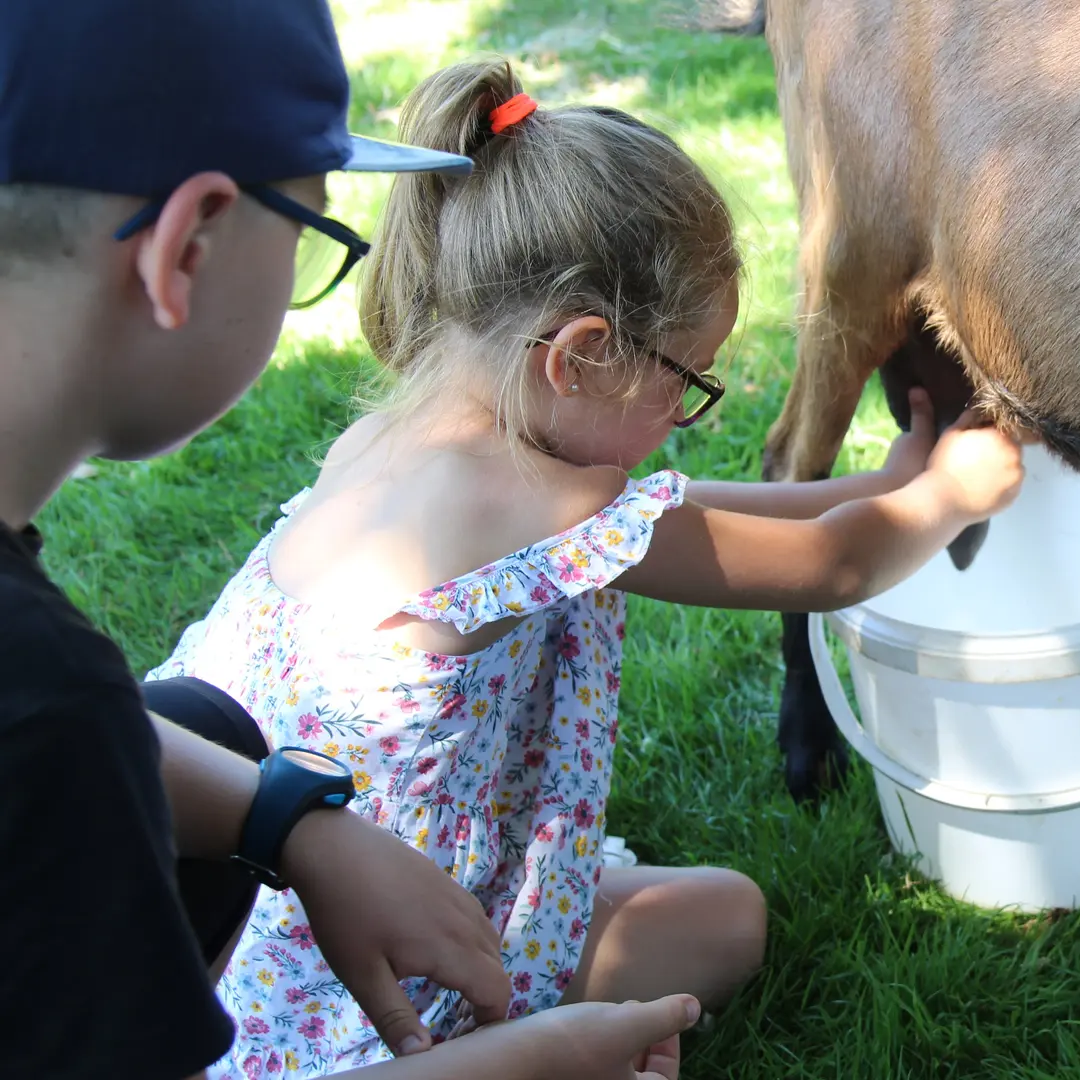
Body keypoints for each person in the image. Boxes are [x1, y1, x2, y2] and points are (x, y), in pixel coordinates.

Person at [142, 53, 1027, 1079]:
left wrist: (888, 483)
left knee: (696, 910)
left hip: (247, 905)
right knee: (729, 919)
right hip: (361, 984)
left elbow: (714, 512)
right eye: (686, 382)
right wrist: (951, 497)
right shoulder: (553, 507)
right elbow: (829, 569)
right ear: (579, 355)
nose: (685, 418)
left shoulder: (395, 442)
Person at [0, 3, 706, 1078]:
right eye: (313, 232)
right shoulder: (53, 716)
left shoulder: (51, 700)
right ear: (188, 246)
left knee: (197, 721)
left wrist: (287, 819)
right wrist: (534, 1061)